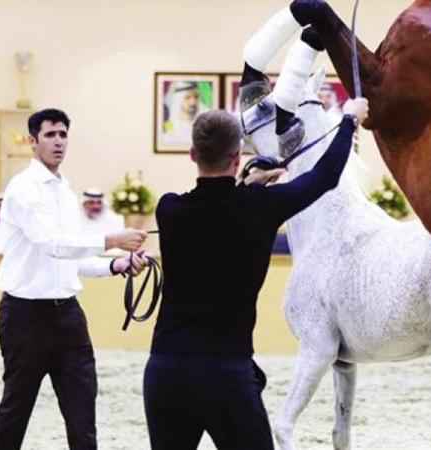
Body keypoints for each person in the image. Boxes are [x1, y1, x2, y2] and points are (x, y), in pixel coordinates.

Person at [143, 96, 369, 449]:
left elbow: (212, 211)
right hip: (226, 372)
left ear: (192, 155)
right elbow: (324, 177)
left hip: (165, 369)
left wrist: (247, 188)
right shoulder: (262, 207)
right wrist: (348, 122)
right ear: (238, 158)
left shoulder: (169, 209)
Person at [0, 108, 150, 450]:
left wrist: (115, 265)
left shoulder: (64, 190)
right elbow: (54, 245)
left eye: (63, 134)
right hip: (25, 317)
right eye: (50, 135)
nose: (59, 141)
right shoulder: (24, 189)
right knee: (15, 410)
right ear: (32, 142)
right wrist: (112, 240)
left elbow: (71, 258)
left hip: (68, 317)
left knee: (82, 414)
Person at [163, 81, 209, 147]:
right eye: (187, 98)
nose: (193, 102)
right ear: (178, 100)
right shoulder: (168, 127)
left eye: (196, 97)